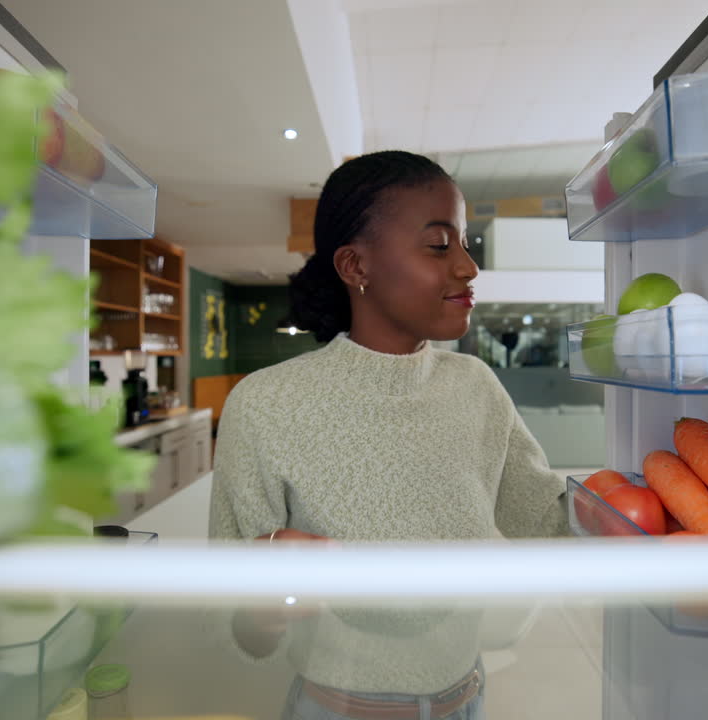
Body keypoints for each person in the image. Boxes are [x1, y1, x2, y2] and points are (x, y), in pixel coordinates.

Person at [208, 150, 569, 720]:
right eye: (438, 244)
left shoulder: (475, 386)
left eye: (465, 242)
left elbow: (549, 522)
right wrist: (261, 603)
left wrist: (654, 511)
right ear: (355, 267)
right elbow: (240, 630)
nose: (468, 266)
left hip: (465, 701)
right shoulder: (265, 404)